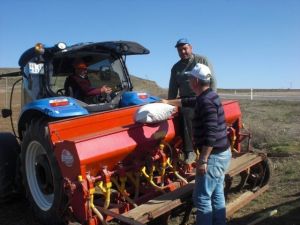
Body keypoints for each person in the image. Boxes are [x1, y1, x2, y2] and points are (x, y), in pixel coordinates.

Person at [163, 63, 231, 225]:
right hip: (222, 153)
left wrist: (204, 159)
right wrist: (169, 102)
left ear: (195, 80)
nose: (188, 80)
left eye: (190, 77)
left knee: (201, 198)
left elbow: (211, 134)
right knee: (216, 193)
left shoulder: (206, 102)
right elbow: (191, 101)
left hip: (213, 157)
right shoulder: (209, 96)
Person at [168, 38, 216, 164]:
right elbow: (173, 88)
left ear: (191, 47)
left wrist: (211, 97)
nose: (182, 52)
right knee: (181, 112)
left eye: (185, 48)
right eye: (179, 50)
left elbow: (212, 80)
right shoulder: (176, 68)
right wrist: (168, 104)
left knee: (187, 113)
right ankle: (188, 150)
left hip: (203, 96)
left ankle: (190, 150)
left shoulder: (202, 60)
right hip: (185, 98)